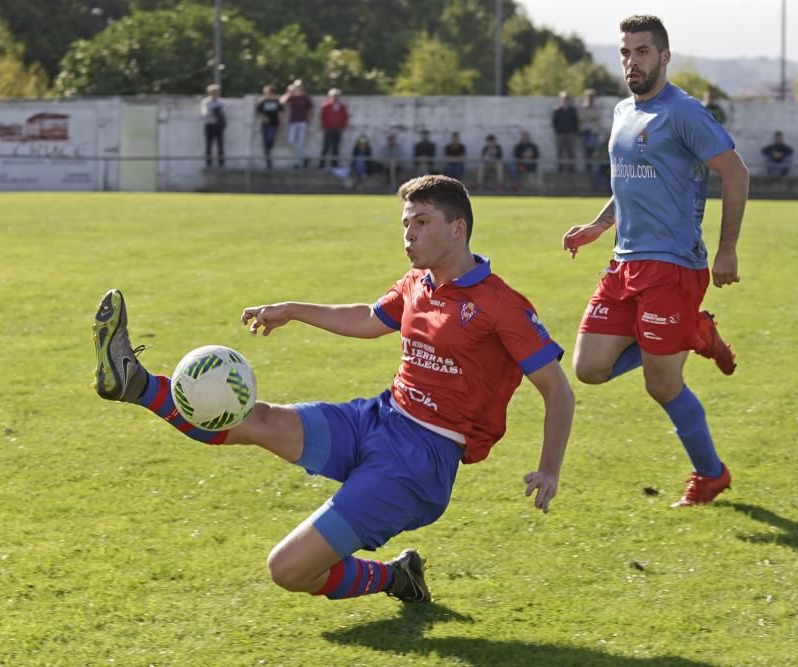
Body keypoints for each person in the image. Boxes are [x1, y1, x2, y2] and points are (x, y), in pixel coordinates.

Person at [91, 175, 575, 604]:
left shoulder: (500, 304)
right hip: (377, 418)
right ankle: (135, 384)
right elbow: (369, 318)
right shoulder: (417, 283)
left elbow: (557, 390)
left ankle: (394, 578)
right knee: (254, 420)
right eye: (406, 224)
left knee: (288, 568)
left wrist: (549, 468)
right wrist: (292, 309)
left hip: (420, 463)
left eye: (422, 222)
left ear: (458, 228)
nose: (409, 235)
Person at [561, 14, 749, 508]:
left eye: (642, 52)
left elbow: (735, 173)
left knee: (662, 385)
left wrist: (727, 249)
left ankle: (711, 475)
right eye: (625, 52)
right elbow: (628, 181)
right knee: (590, 368)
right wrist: (599, 225)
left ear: (664, 56)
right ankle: (695, 332)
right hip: (625, 263)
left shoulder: (683, 112)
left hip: (674, 265)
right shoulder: (624, 111)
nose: (631, 61)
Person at [281, 81, 313, 168]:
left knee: (300, 143)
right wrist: (288, 92)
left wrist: (308, 120)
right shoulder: (292, 97)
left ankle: (297, 163)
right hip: (293, 121)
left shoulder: (306, 98)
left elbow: (310, 109)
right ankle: (303, 159)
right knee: (291, 141)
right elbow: (282, 102)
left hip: (302, 122)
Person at [319, 88, 349, 169]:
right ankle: (321, 164)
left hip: (338, 129)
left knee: (336, 147)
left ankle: (334, 164)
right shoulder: (326, 105)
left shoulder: (342, 106)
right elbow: (322, 117)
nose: (335, 97)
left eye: (337, 96)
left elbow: (345, 117)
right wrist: (324, 125)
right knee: (326, 147)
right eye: (333, 96)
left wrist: (343, 127)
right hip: (328, 129)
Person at [255, 85, 284, 169]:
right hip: (265, 125)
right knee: (265, 142)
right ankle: (268, 162)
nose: (267, 95)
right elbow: (258, 111)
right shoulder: (263, 102)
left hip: (274, 124)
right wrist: (263, 117)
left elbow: (281, 112)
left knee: (271, 139)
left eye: (268, 93)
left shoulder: (277, 102)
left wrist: (281, 123)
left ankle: (268, 153)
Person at [552, 91, 579, 173]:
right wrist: (558, 131)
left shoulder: (572, 110)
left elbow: (575, 121)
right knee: (560, 152)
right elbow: (554, 122)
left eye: (566, 98)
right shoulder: (557, 110)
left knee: (570, 152)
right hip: (560, 133)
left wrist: (574, 131)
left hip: (570, 133)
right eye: (563, 98)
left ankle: (572, 168)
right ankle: (560, 168)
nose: (565, 100)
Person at [200, 84, 226, 167]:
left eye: (216, 92)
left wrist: (218, 114)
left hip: (218, 125)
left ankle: (221, 163)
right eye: (213, 92)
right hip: (209, 125)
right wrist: (213, 112)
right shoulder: (206, 102)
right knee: (208, 145)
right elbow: (204, 113)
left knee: (220, 145)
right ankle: (208, 164)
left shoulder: (221, 102)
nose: (215, 94)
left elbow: (224, 112)